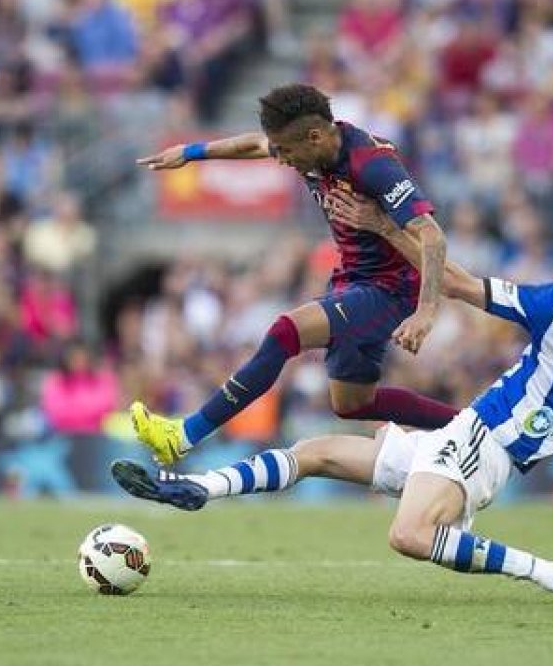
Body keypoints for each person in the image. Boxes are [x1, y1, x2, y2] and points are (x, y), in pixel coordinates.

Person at [111, 210, 553, 606]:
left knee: (406, 535)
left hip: (483, 445)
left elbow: (454, 281)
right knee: (317, 452)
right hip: (468, 438)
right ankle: (193, 488)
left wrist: (389, 225)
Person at [130, 82, 457, 465]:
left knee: (286, 332)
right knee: (352, 403)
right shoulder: (310, 147)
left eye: (285, 151)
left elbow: (432, 236)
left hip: (392, 288)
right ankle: (481, 428)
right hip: (353, 281)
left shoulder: (373, 165)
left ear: (315, 137)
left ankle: (182, 435)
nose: (282, 160)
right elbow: (254, 144)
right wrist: (190, 152)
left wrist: (427, 311)